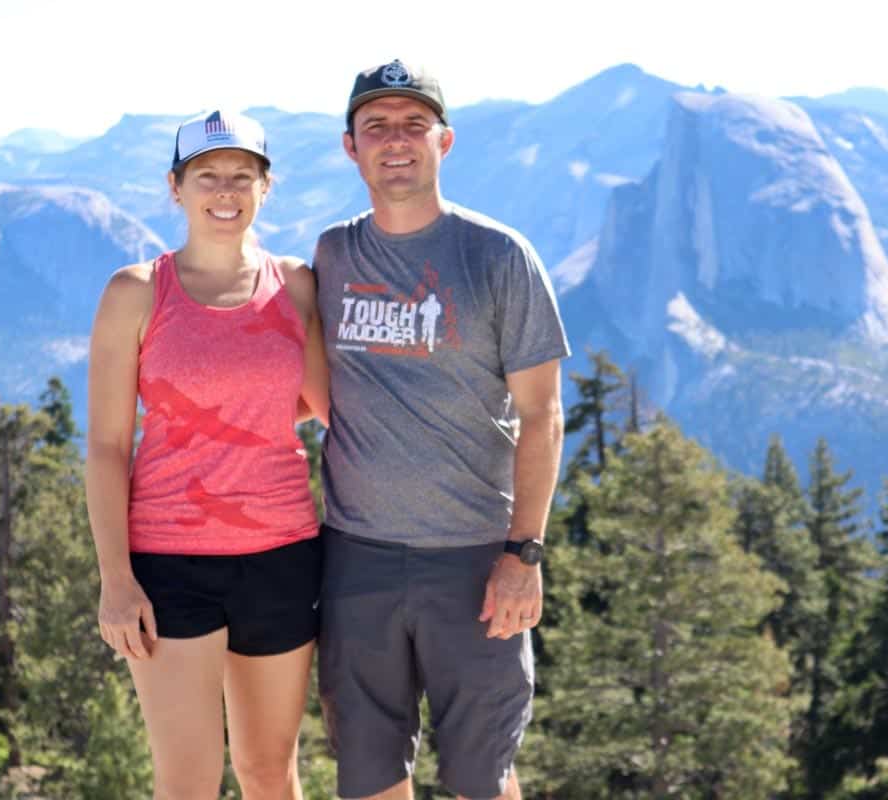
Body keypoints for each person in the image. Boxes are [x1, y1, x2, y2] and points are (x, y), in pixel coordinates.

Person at [314, 60, 569, 800]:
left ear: (444, 141)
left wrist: (524, 552)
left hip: (474, 560)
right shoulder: (333, 255)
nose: (396, 141)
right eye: (377, 127)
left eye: (413, 124)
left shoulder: (498, 256)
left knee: (481, 776)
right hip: (356, 558)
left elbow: (543, 415)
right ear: (350, 147)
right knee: (367, 773)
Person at [85, 109, 329, 799]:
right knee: (188, 782)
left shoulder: (296, 285)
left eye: (242, 176)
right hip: (167, 565)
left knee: (268, 774)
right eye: (207, 176)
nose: (226, 191)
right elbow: (106, 447)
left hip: (282, 555)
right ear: (176, 188)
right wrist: (116, 580)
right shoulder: (135, 293)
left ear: (264, 187)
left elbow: (318, 402)